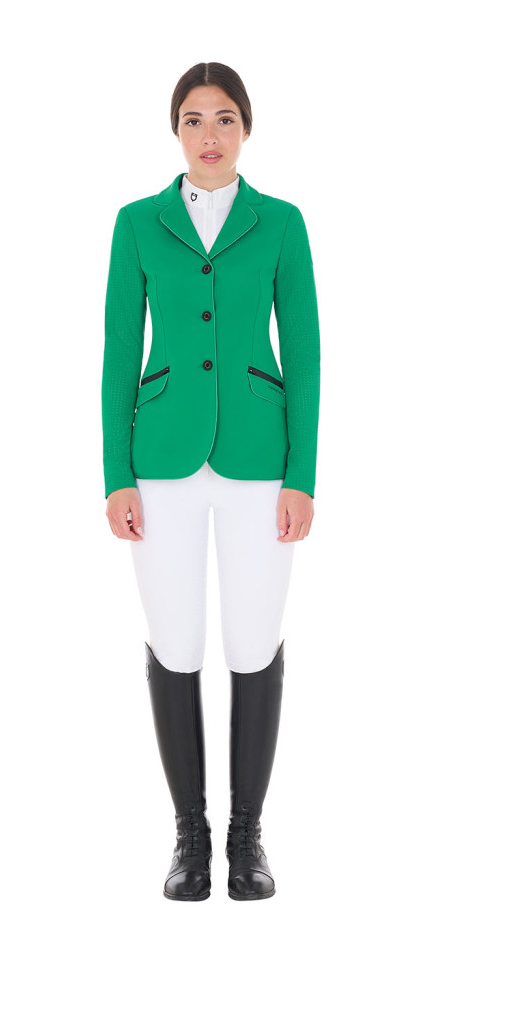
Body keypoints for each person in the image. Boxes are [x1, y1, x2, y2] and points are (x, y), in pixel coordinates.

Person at [102, 62, 320, 901]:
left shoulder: (282, 223)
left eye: (224, 117)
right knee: (177, 644)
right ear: (176, 131)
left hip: (260, 464)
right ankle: (189, 840)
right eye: (193, 119)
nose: (209, 135)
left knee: (253, 644)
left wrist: (302, 474)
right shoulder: (136, 224)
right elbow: (118, 353)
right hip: (160, 463)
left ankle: (247, 839)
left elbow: (304, 353)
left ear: (246, 128)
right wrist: (115, 473)